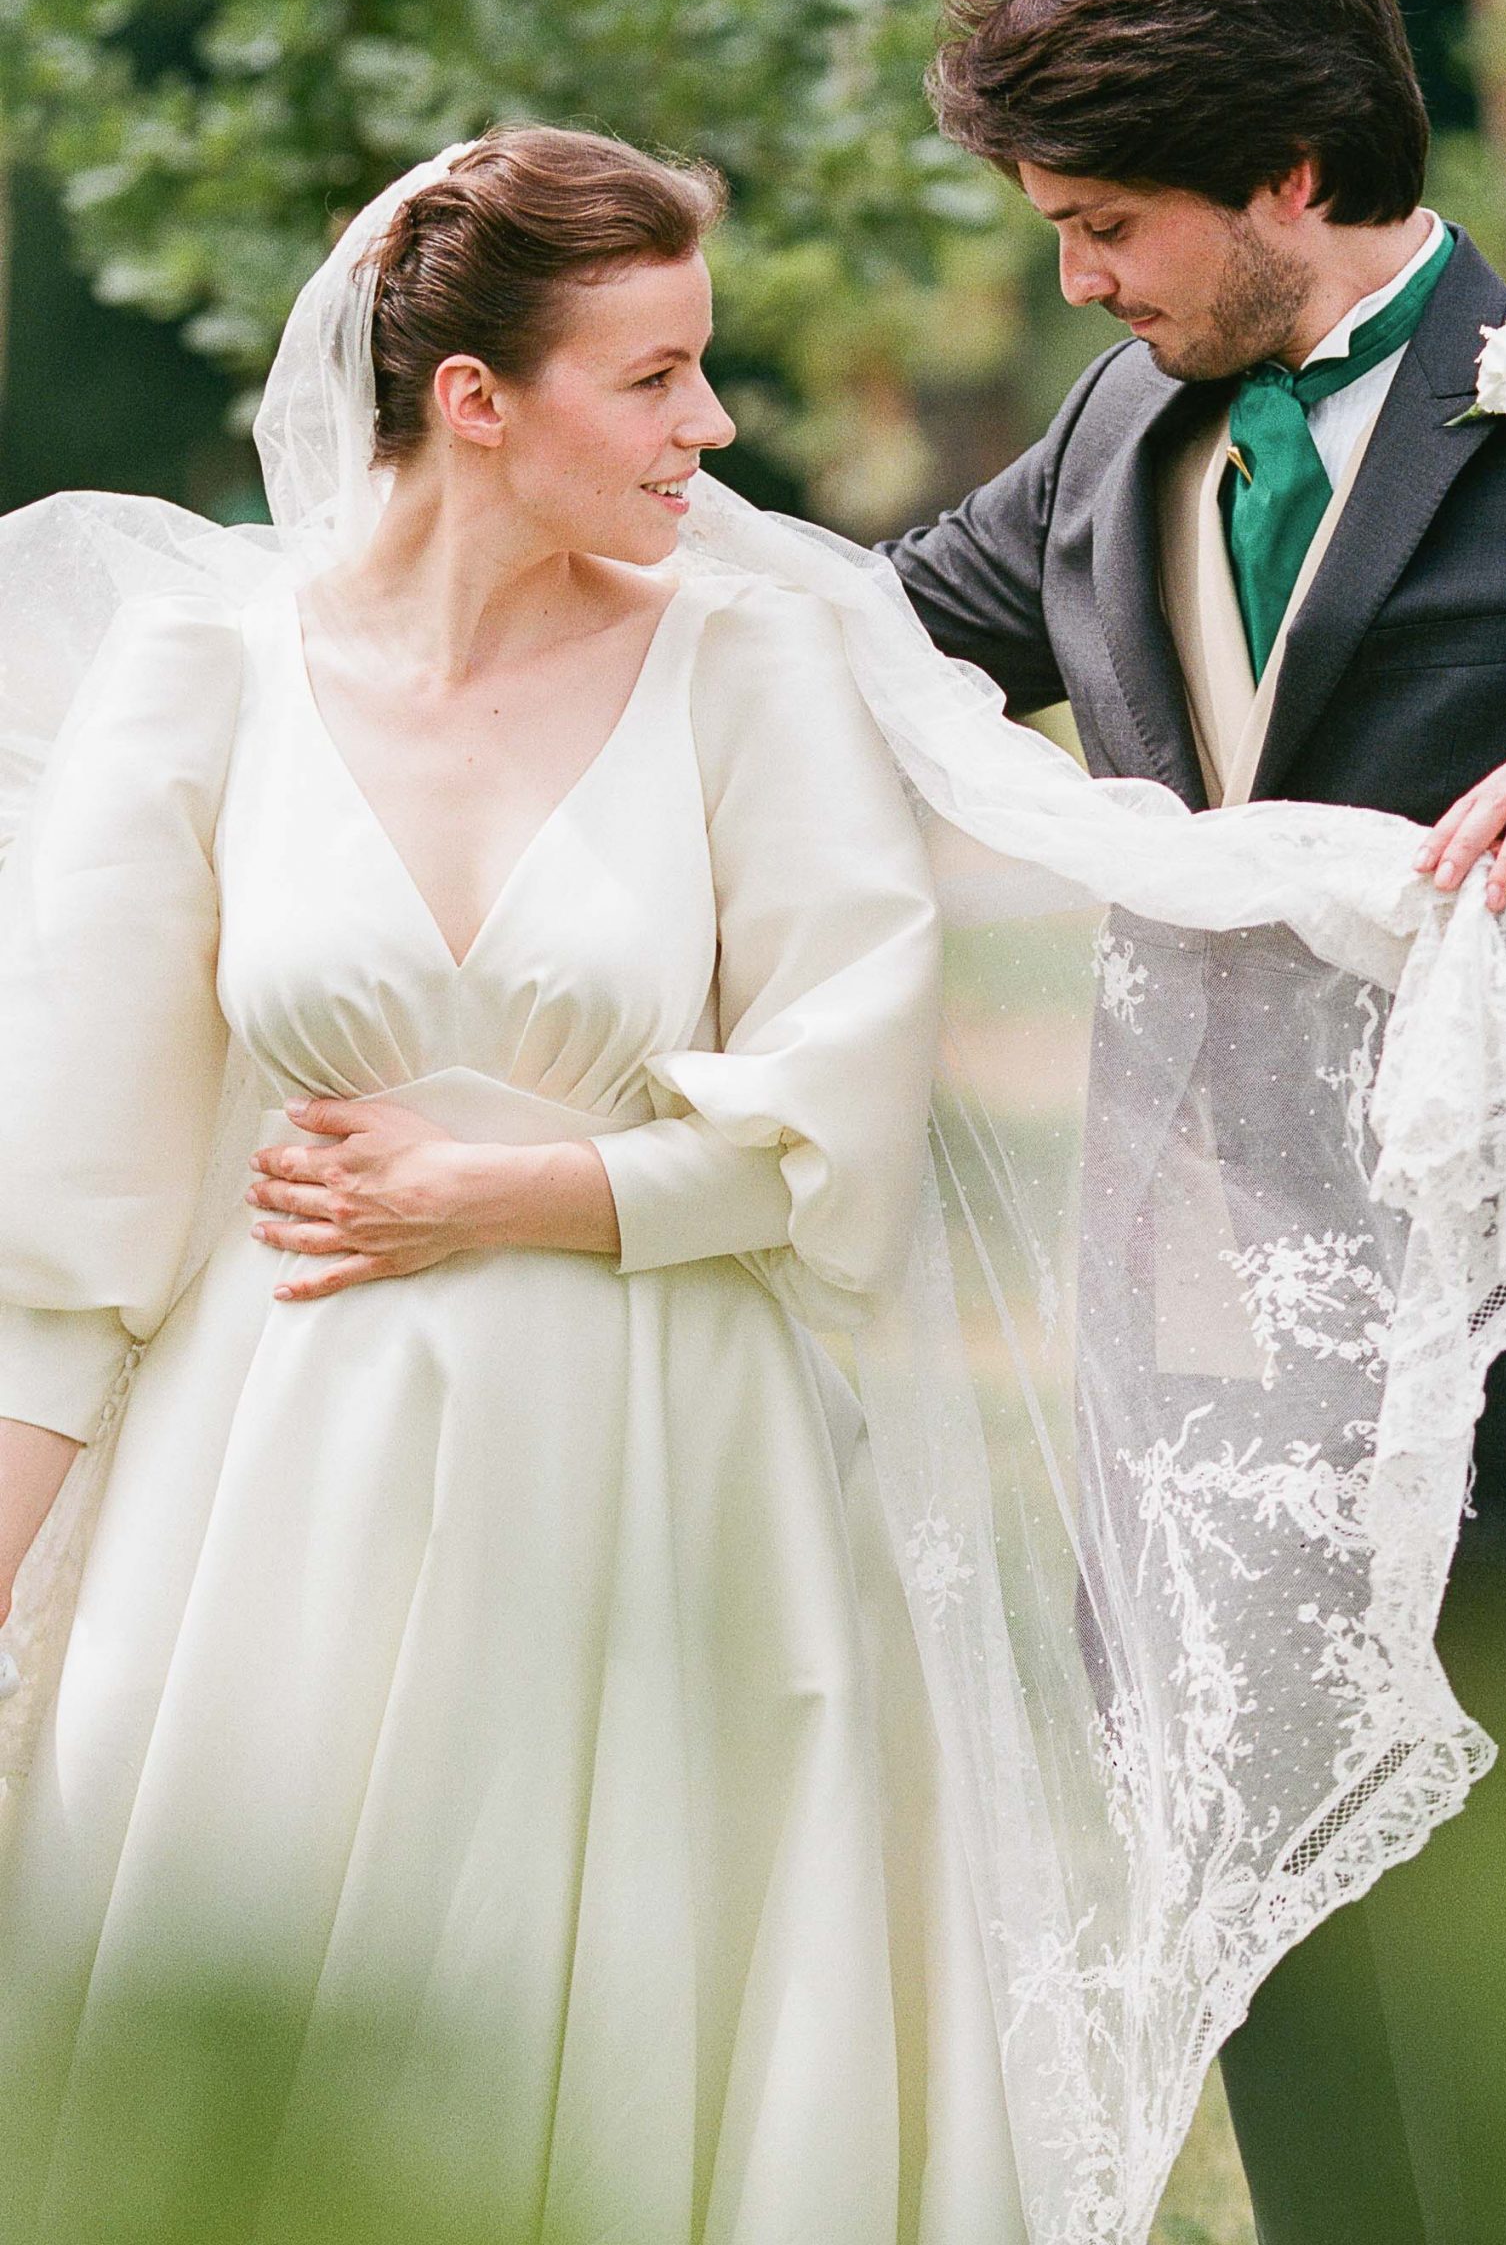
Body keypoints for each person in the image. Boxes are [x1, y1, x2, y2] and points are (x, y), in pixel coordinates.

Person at [0, 126, 1029, 2245]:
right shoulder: (200, 681)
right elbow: (62, 1221)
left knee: (659, 2065)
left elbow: (840, 1102)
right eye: (652, 377)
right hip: (272, 1498)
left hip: (668, 1485)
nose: (710, 425)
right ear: (474, 398)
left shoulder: (749, 665)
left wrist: (518, 1190)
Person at [877, 0, 1506, 2245]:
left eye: (1106, 224)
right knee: (1289, 1975)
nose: (1077, 277)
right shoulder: (1107, 437)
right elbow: (845, 639)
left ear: (1296, 169)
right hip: (1200, 1360)